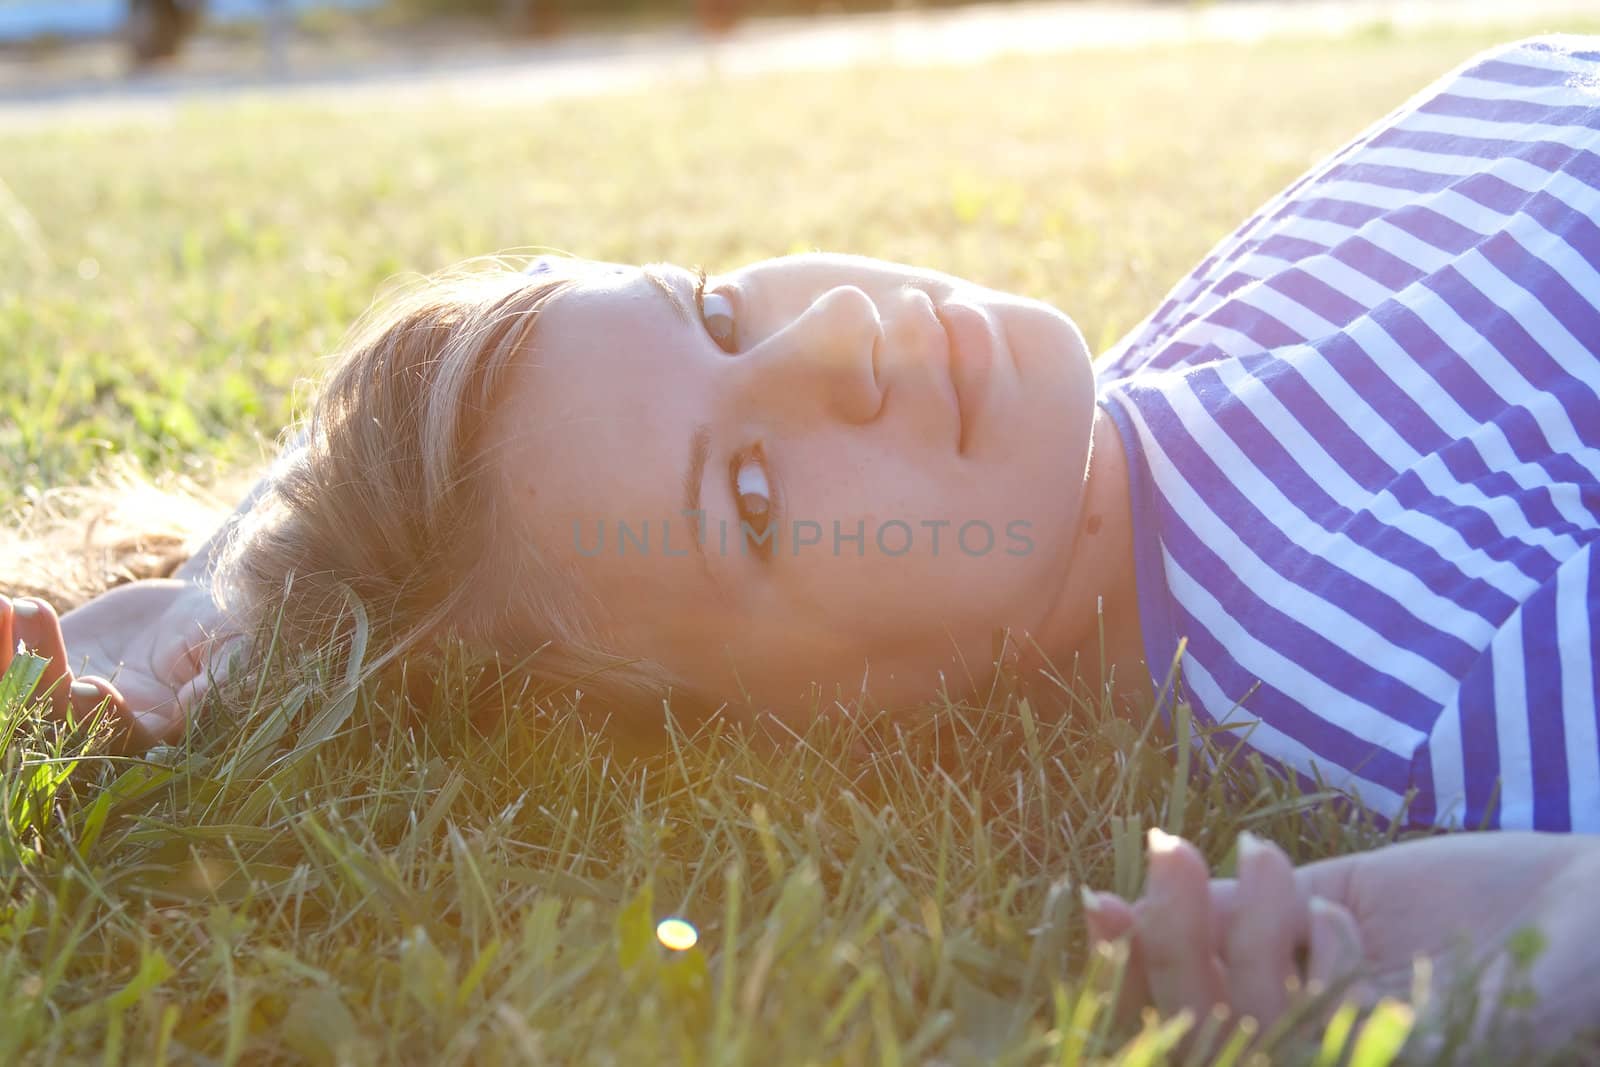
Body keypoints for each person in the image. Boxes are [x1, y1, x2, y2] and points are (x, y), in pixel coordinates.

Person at [3, 32, 1597, 1048]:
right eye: (751, 494)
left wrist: (188, 609)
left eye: (709, 309)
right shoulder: (1427, 663)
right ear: (809, 728)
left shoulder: (1159, 380)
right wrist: (1450, 961)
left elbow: (421, 517)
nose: (837, 329)